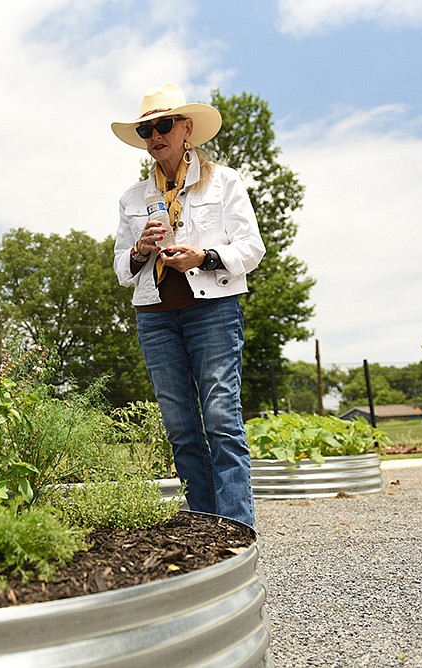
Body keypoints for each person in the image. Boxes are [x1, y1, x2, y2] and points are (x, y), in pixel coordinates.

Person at [111, 83, 265, 527]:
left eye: (163, 125)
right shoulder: (133, 198)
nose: (154, 135)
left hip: (213, 309)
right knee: (181, 428)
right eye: (146, 130)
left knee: (221, 420)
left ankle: (236, 532)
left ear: (187, 129)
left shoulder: (226, 181)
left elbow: (251, 248)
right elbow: (122, 267)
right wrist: (140, 249)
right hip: (154, 317)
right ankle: (204, 531)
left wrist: (206, 256)